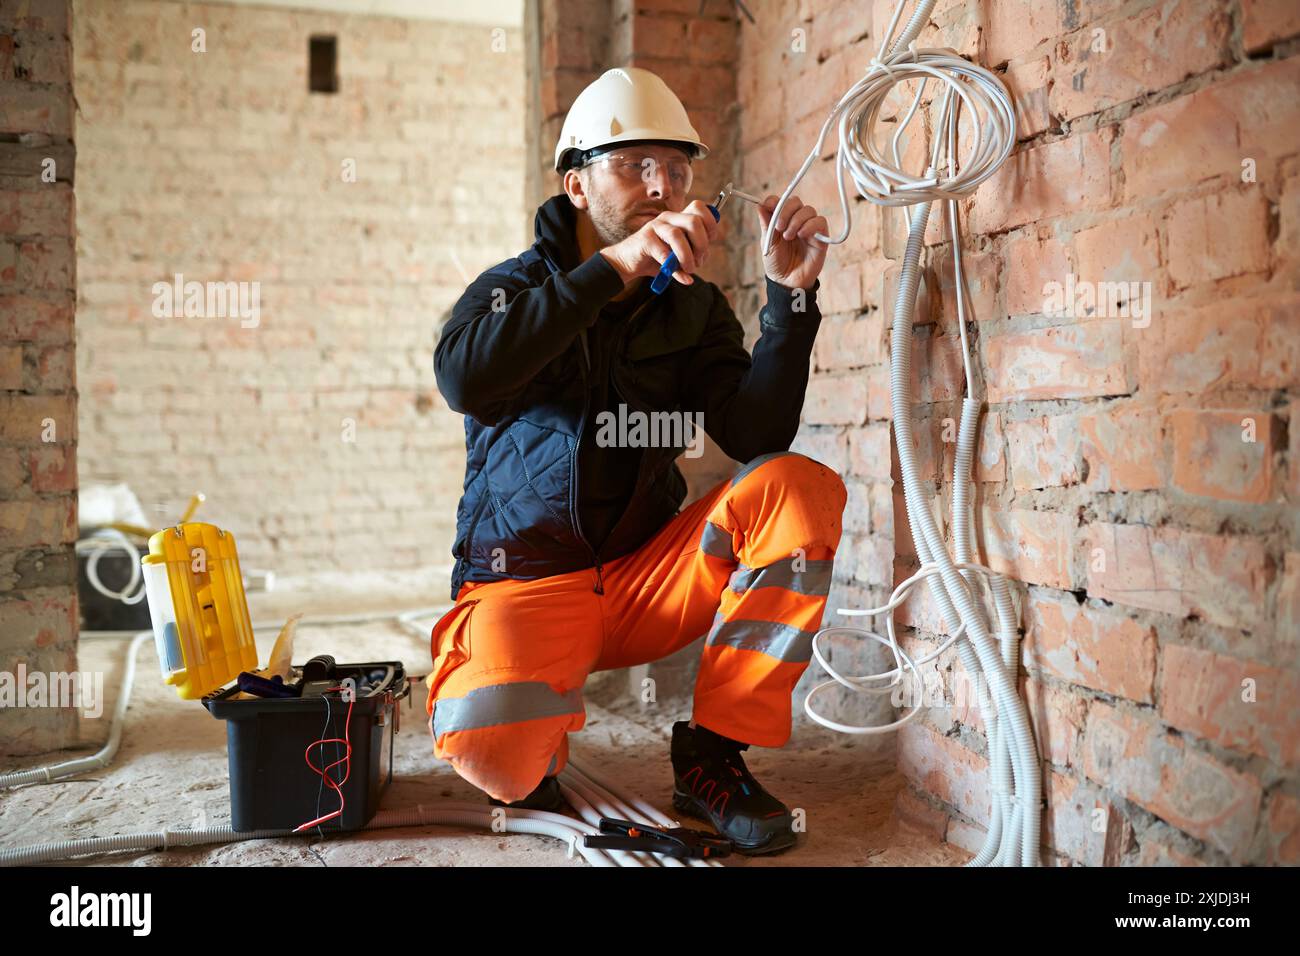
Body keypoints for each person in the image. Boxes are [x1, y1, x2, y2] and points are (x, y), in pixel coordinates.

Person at [427, 66, 847, 855]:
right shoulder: (511, 290)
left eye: (677, 167)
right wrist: (609, 273)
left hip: (643, 580)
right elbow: (462, 377)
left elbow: (757, 438)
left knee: (796, 489)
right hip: (526, 583)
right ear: (577, 186)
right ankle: (534, 720)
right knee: (497, 755)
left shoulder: (693, 306)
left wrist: (788, 302)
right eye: (634, 164)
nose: (662, 185)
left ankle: (713, 755)